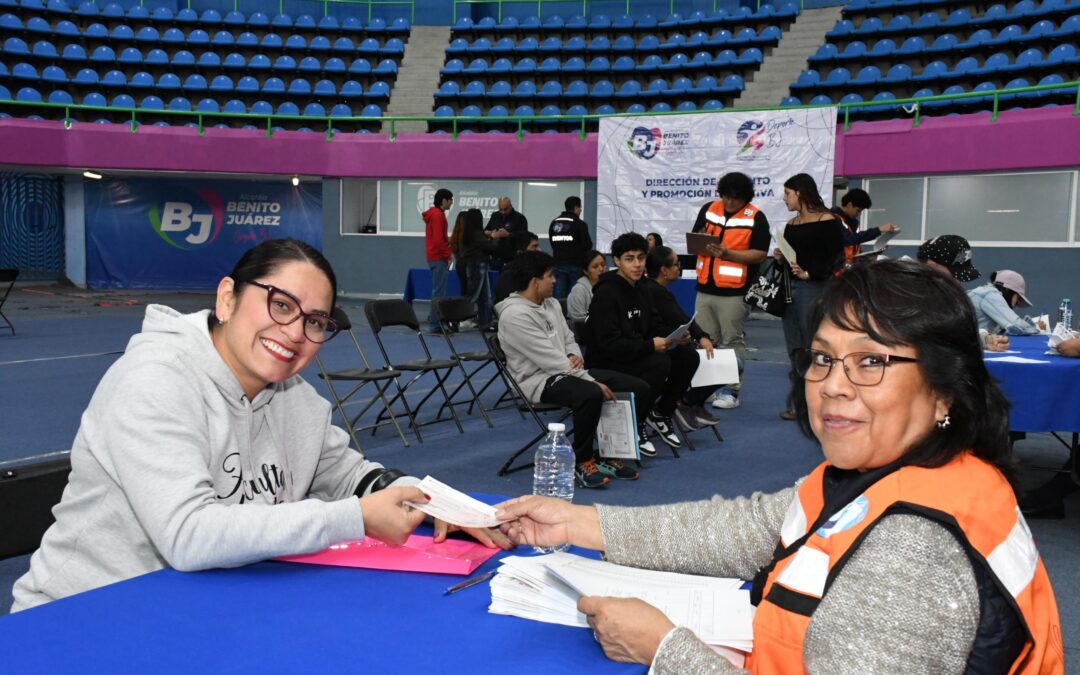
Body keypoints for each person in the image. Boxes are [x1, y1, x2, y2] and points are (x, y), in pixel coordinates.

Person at [496, 259, 1063, 674]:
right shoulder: (897, 475)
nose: (833, 385)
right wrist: (576, 522)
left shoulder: (914, 547)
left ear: (945, 391)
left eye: (871, 361)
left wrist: (664, 649)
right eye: (823, 358)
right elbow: (750, 527)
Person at [11, 239, 509, 612]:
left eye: (315, 321)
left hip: (202, 608)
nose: (294, 333)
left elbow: (352, 476)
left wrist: (431, 502)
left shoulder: (295, 397)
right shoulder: (153, 380)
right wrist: (355, 517)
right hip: (82, 616)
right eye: (281, 304)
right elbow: (189, 535)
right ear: (227, 298)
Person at [496, 251, 651, 488]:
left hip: (566, 370)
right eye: (550, 276)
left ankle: (608, 454)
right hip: (537, 381)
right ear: (535, 281)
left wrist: (574, 355)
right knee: (590, 393)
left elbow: (569, 338)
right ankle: (582, 461)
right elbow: (548, 360)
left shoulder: (551, 304)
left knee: (637, 388)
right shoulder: (514, 316)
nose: (554, 280)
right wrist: (589, 379)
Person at [586, 232, 698, 455]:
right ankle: (636, 422)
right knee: (659, 362)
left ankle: (660, 412)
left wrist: (674, 336)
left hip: (634, 352)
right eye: (630, 259)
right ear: (617, 261)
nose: (637, 264)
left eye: (641, 258)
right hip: (607, 361)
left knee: (687, 356)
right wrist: (650, 346)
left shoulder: (643, 289)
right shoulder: (606, 294)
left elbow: (654, 325)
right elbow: (609, 344)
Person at [691, 172, 770, 410]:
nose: (729, 202)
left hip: (735, 293)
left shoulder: (756, 217)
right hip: (704, 287)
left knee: (732, 342)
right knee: (705, 340)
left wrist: (728, 254)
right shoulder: (709, 209)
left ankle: (731, 391)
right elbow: (695, 238)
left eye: (735, 198)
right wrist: (700, 242)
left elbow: (760, 254)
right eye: (725, 196)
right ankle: (706, 388)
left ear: (745, 198)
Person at [776, 173, 845, 420]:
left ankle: (822, 401)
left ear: (800, 193)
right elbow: (793, 256)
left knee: (815, 345)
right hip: (790, 289)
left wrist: (810, 273)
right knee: (795, 347)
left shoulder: (828, 220)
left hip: (816, 288)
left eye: (787, 193)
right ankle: (800, 403)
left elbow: (837, 258)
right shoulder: (791, 224)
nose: (785, 199)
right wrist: (781, 257)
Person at [643, 245, 721, 431]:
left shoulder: (657, 290)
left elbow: (681, 319)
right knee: (698, 357)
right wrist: (699, 337)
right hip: (657, 353)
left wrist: (699, 336)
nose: (680, 268)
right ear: (664, 270)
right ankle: (678, 405)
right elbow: (680, 319)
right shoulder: (656, 292)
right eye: (677, 264)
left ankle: (689, 402)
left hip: (666, 347)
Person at [914, 234, 1009, 352]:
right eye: (955, 275)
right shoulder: (903, 293)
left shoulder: (942, 295)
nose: (959, 282)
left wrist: (984, 339)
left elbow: (952, 330)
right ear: (933, 266)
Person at [459, 208, 508, 330]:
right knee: (473, 295)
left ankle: (485, 323)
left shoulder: (468, 233)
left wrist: (489, 235)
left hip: (477, 265)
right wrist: (495, 237)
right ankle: (456, 319)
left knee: (484, 296)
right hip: (477, 265)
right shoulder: (475, 234)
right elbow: (490, 246)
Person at [968, 269, 1046, 336]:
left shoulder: (986, 293)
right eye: (1018, 298)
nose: (1018, 303)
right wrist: (1036, 327)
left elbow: (1005, 327)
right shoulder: (990, 295)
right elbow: (1016, 325)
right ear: (1007, 290)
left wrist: (1032, 325)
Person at [831, 188, 898, 261]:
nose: (859, 214)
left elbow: (855, 245)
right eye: (858, 210)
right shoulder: (832, 219)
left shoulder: (854, 222)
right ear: (849, 205)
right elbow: (847, 239)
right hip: (836, 266)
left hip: (850, 265)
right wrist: (878, 230)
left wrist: (867, 257)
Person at [549, 195, 594, 300]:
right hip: (576, 265)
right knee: (575, 295)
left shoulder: (554, 223)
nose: (581, 210)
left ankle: (559, 310)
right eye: (580, 207)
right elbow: (587, 245)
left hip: (558, 263)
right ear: (576, 208)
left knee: (559, 295)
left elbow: (552, 242)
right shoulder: (580, 224)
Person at [424, 188, 453, 333]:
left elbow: (439, 238)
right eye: (450, 200)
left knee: (438, 291)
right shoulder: (438, 216)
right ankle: (435, 324)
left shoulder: (434, 215)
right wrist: (448, 255)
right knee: (439, 292)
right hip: (438, 257)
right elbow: (438, 241)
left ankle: (434, 321)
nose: (451, 203)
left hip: (434, 256)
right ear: (444, 200)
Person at [493, 230, 540, 305]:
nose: (539, 250)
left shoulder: (537, 271)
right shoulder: (509, 275)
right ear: (520, 252)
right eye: (534, 246)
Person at [485, 195, 529, 271]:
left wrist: (508, 234)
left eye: (505, 209)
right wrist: (492, 233)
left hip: (512, 258)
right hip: (496, 257)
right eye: (501, 209)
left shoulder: (520, 218)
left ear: (510, 206)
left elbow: (524, 237)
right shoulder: (495, 216)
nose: (503, 212)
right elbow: (486, 230)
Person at [567, 249, 606, 323]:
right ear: (586, 271)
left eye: (603, 265)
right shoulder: (579, 290)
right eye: (595, 267)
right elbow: (578, 320)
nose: (601, 269)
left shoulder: (608, 287)